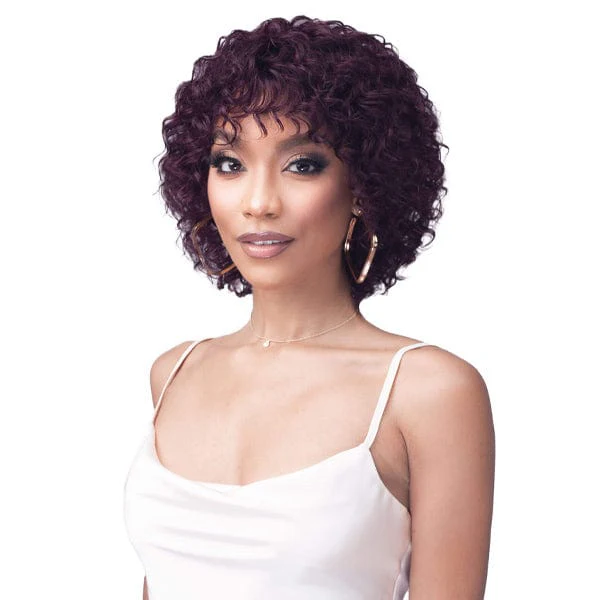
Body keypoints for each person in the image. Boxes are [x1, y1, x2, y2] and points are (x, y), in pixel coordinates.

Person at [123, 15, 495, 600]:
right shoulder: (173, 373)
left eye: (303, 164)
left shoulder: (428, 392)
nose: (259, 202)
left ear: (363, 186)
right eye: (229, 163)